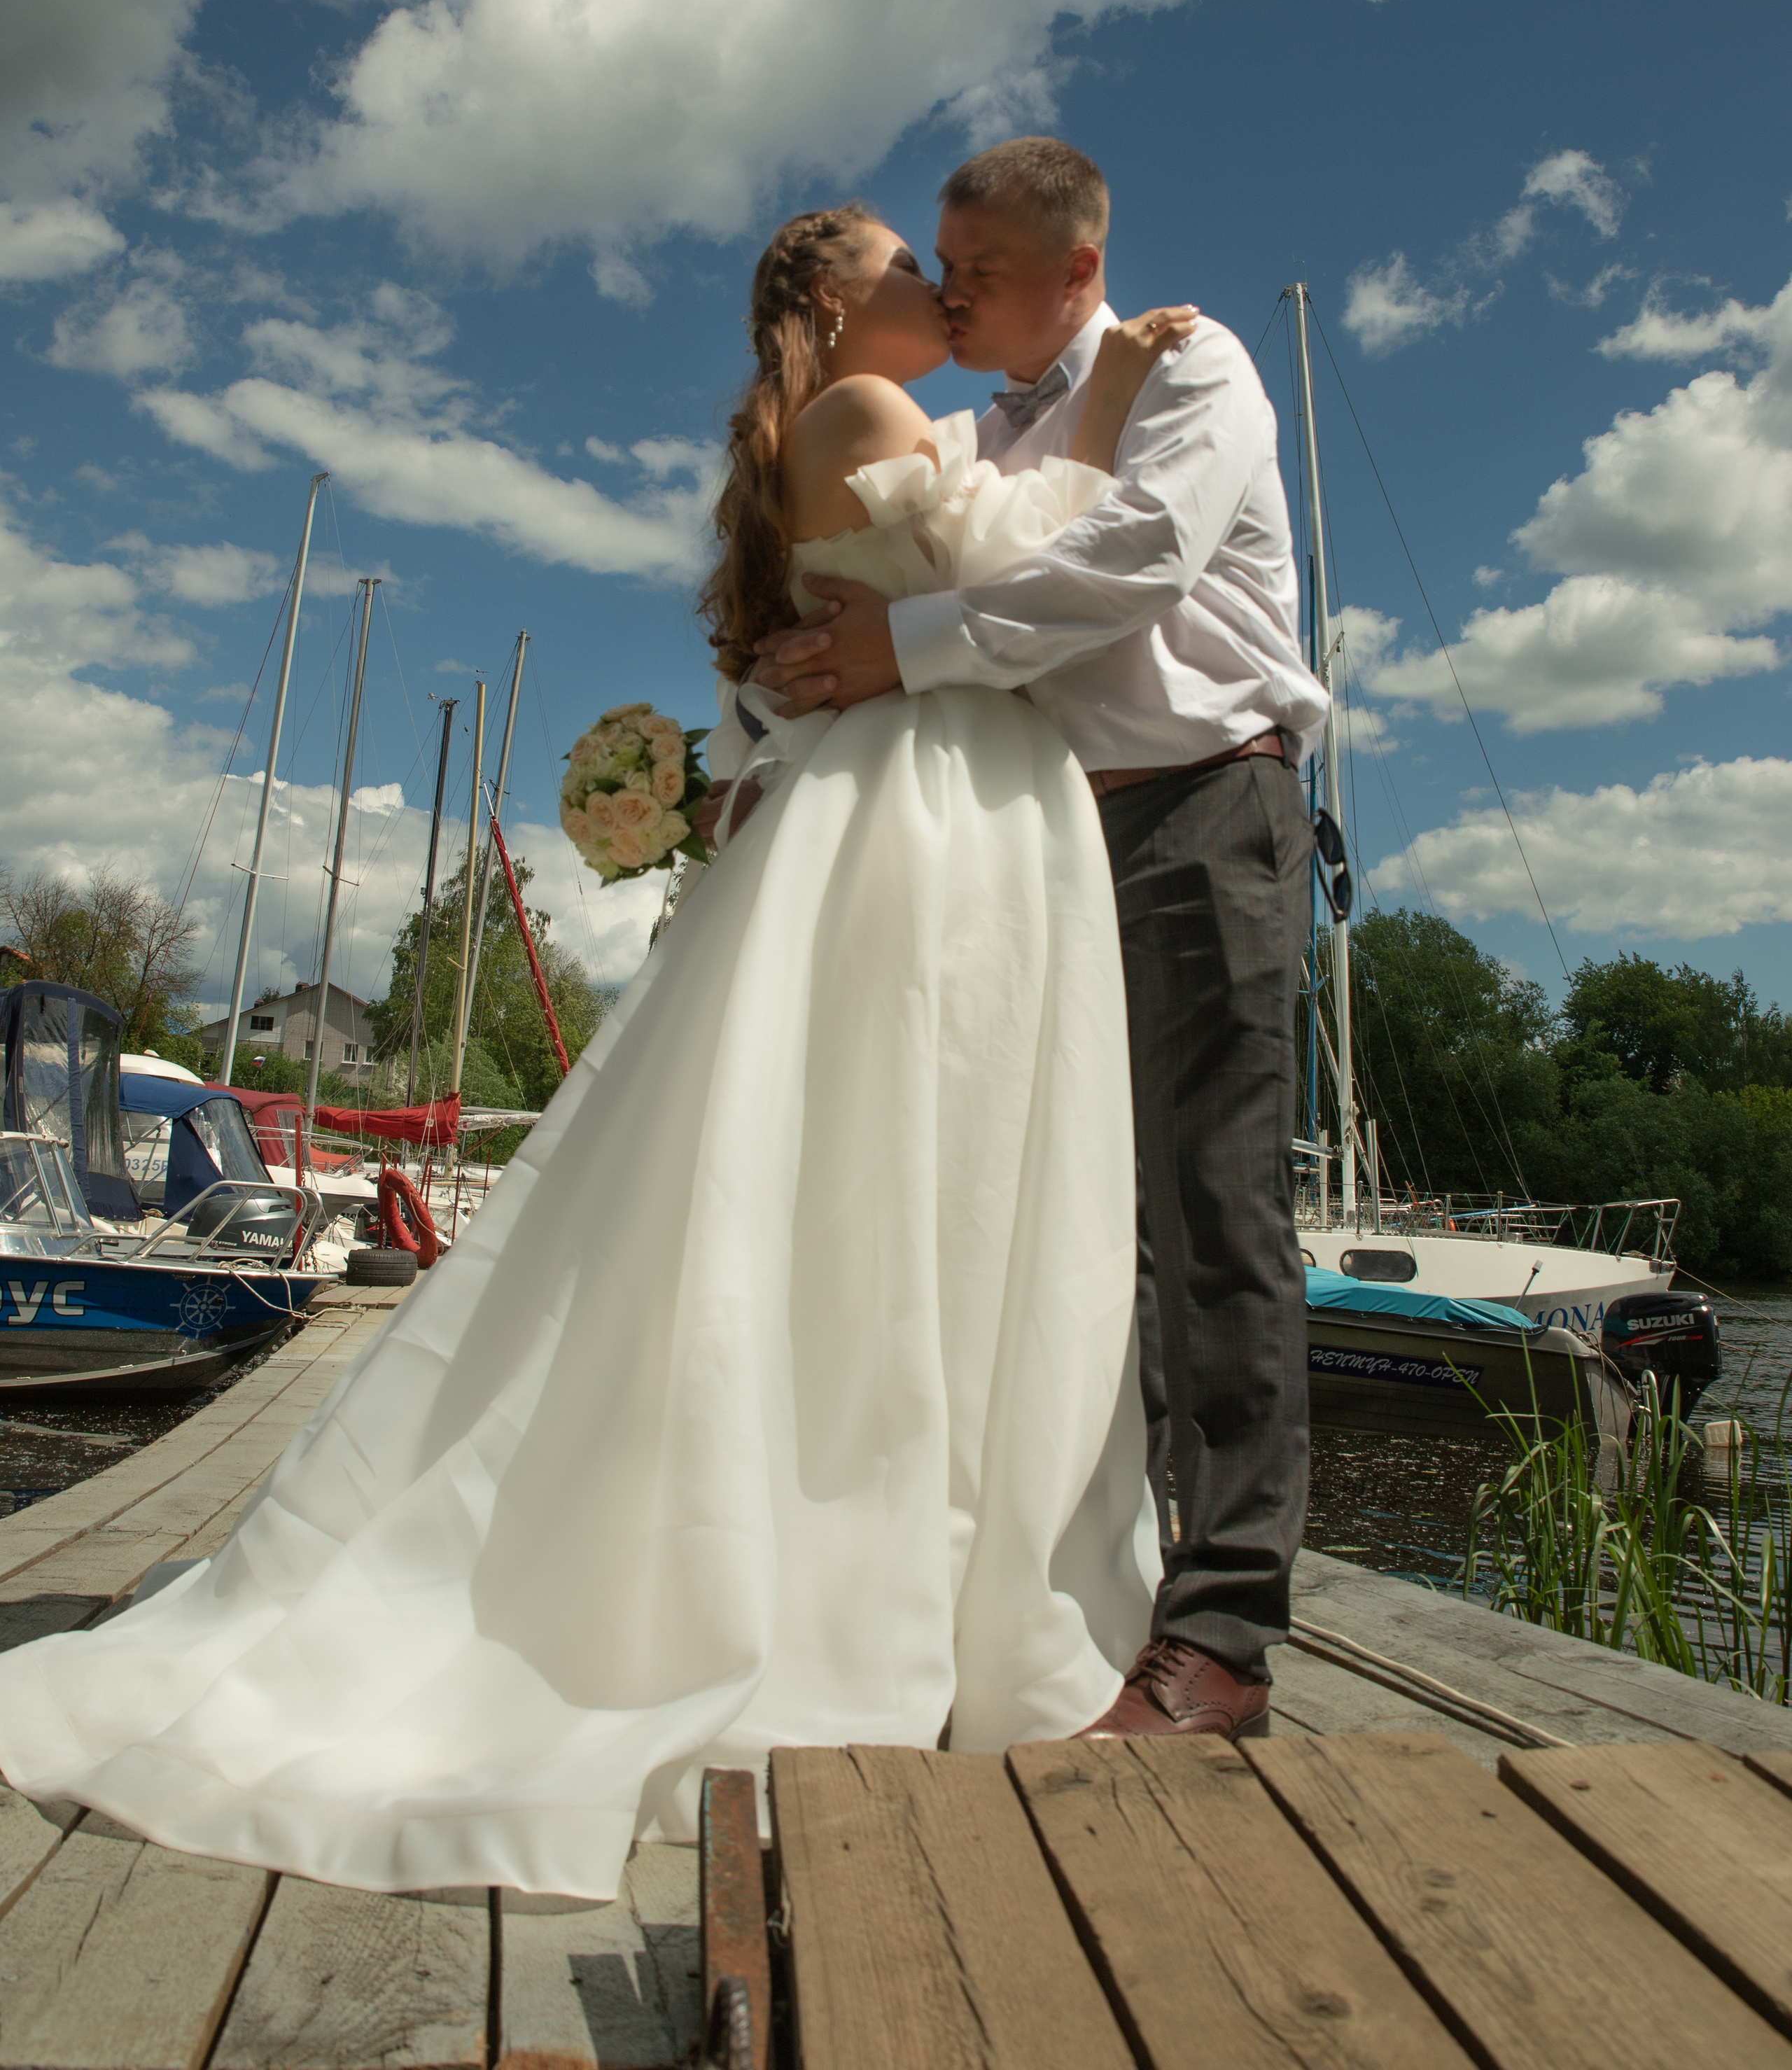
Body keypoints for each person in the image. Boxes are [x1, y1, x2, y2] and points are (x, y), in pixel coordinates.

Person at [0, 202, 1192, 1901]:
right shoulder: (865, 411)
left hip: (932, 797)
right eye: (898, 264)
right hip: (927, 817)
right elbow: (1020, 578)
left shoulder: (833, 431)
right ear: (833, 297)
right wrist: (1111, 406)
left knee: (898, 1180)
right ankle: (889, 1577)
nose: (931, 286)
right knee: (914, 1175)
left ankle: (906, 1561)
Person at [751, 138, 1327, 1742]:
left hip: (1203, 807)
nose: (948, 294)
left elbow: (1133, 559)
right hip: (1043, 854)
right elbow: (864, 566)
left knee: (1212, 1215)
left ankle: (1220, 1639)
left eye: (979, 270)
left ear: (1076, 267)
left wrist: (904, 649)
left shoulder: (1191, 369)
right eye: (936, 265)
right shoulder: (967, 432)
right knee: (1071, 1229)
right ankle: (1087, 1600)